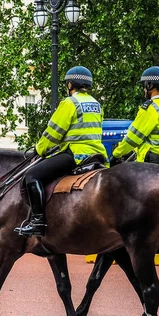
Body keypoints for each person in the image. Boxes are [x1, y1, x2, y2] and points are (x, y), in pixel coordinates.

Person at [16, 66, 108, 238]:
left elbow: (54, 132)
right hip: (96, 155)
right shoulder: (96, 104)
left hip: (76, 154)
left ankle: (37, 221)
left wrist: (39, 149)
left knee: (32, 176)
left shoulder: (69, 103)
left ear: (70, 84)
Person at [110, 66, 159, 167]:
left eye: (144, 85)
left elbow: (133, 138)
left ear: (149, 85)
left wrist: (116, 154)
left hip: (153, 165)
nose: (144, 89)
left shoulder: (150, 108)